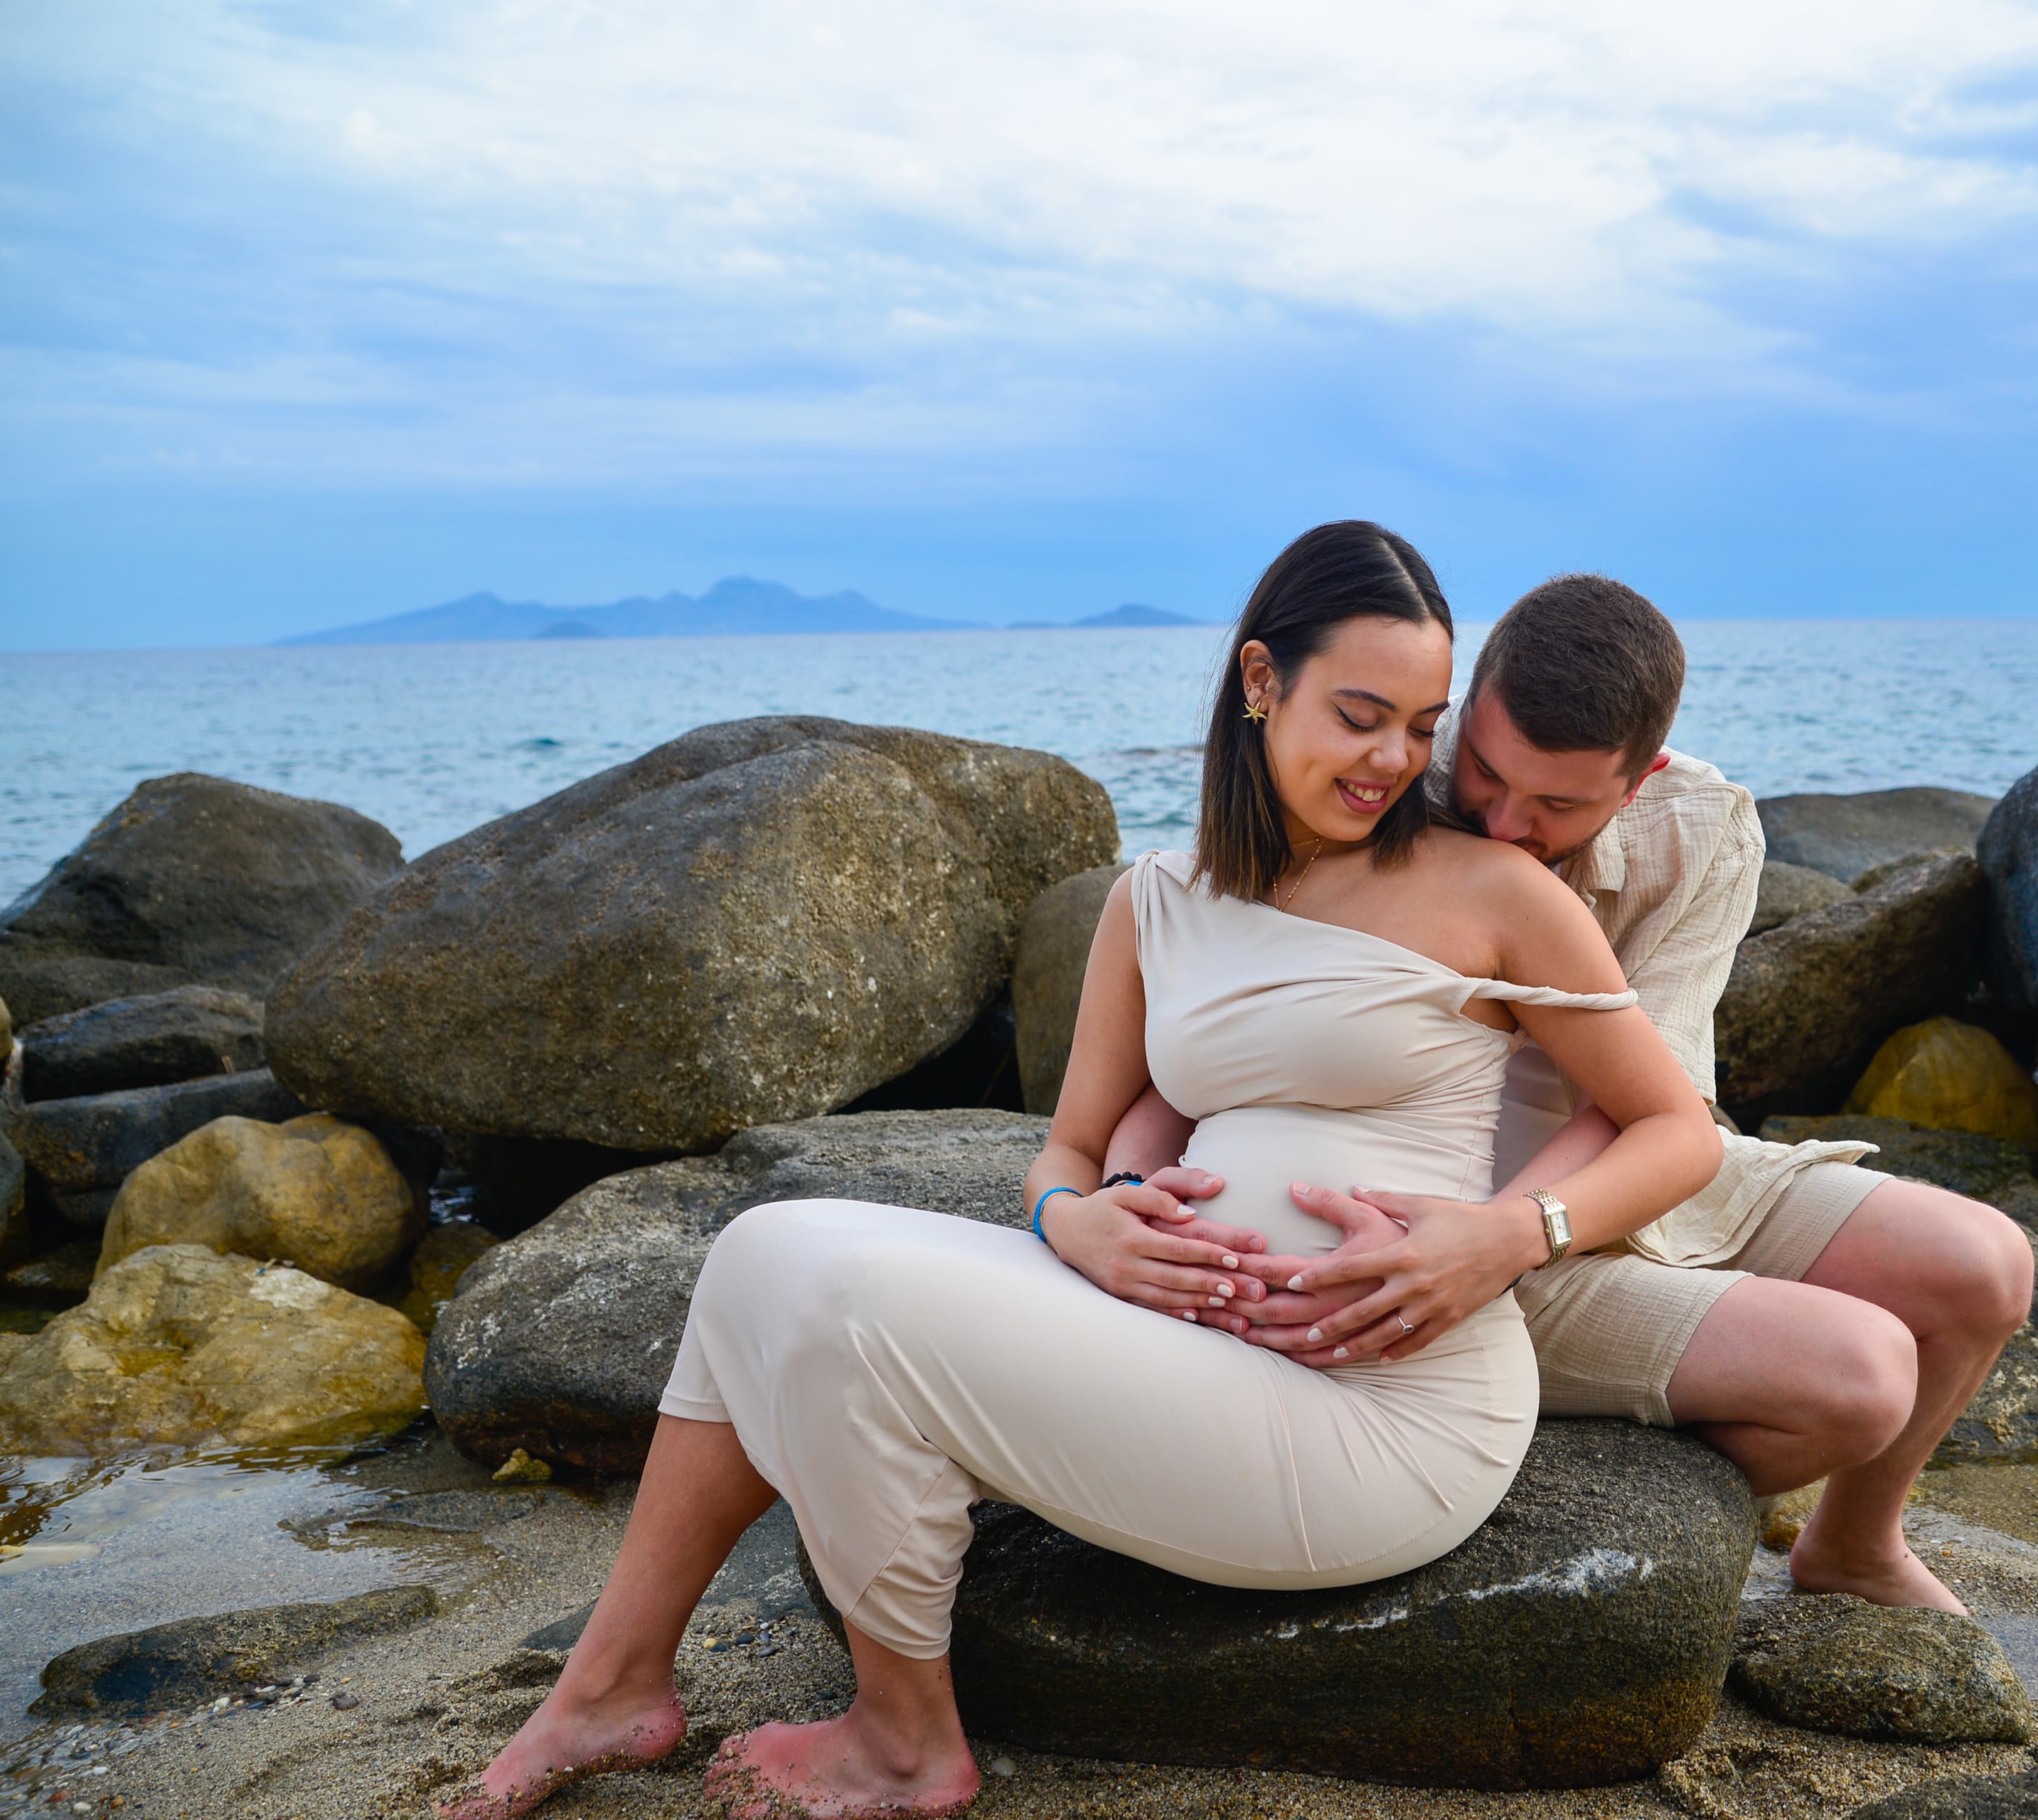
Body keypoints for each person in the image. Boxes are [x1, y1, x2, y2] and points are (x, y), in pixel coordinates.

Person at [444, 524, 1723, 1820]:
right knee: (754, 1252)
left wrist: (1508, 1235)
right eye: (1360, 715)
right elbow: (1067, 1146)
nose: (1394, 760)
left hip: (1385, 1409)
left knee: (853, 1311)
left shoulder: (1495, 891)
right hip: (1183, 1350)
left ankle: (903, 1744)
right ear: (1262, 681)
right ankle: (611, 1684)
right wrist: (1077, 1222)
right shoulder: (1157, 900)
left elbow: (1676, 1128)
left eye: (1421, 727)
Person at [1109, 574, 2034, 1615]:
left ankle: (1855, 1546)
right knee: (1859, 1383)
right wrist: (1115, 1197)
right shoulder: (1385, 786)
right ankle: (1546, 1446)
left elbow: (1651, 1100)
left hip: (1618, 1171)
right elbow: (1216, 1030)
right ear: (1468, 708)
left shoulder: (1702, 826)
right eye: (1485, 773)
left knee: (1987, 1269)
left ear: (1640, 781)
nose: (1506, 823)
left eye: (1558, 806)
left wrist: (1516, 1233)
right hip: (1438, 1207)